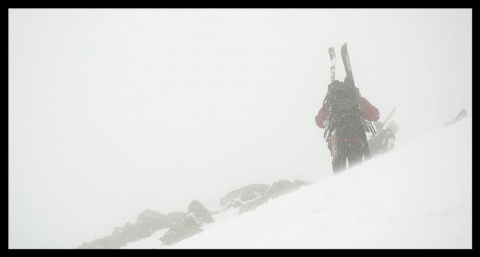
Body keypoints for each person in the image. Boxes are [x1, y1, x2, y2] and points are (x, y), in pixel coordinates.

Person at [315, 77, 380, 173]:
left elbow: (318, 121)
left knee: (339, 174)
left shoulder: (331, 101)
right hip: (355, 140)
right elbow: (375, 115)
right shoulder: (357, 99)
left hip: (336, 142)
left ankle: (341, 187)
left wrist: (328, 121)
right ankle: (356, 187)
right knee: (356, 172)